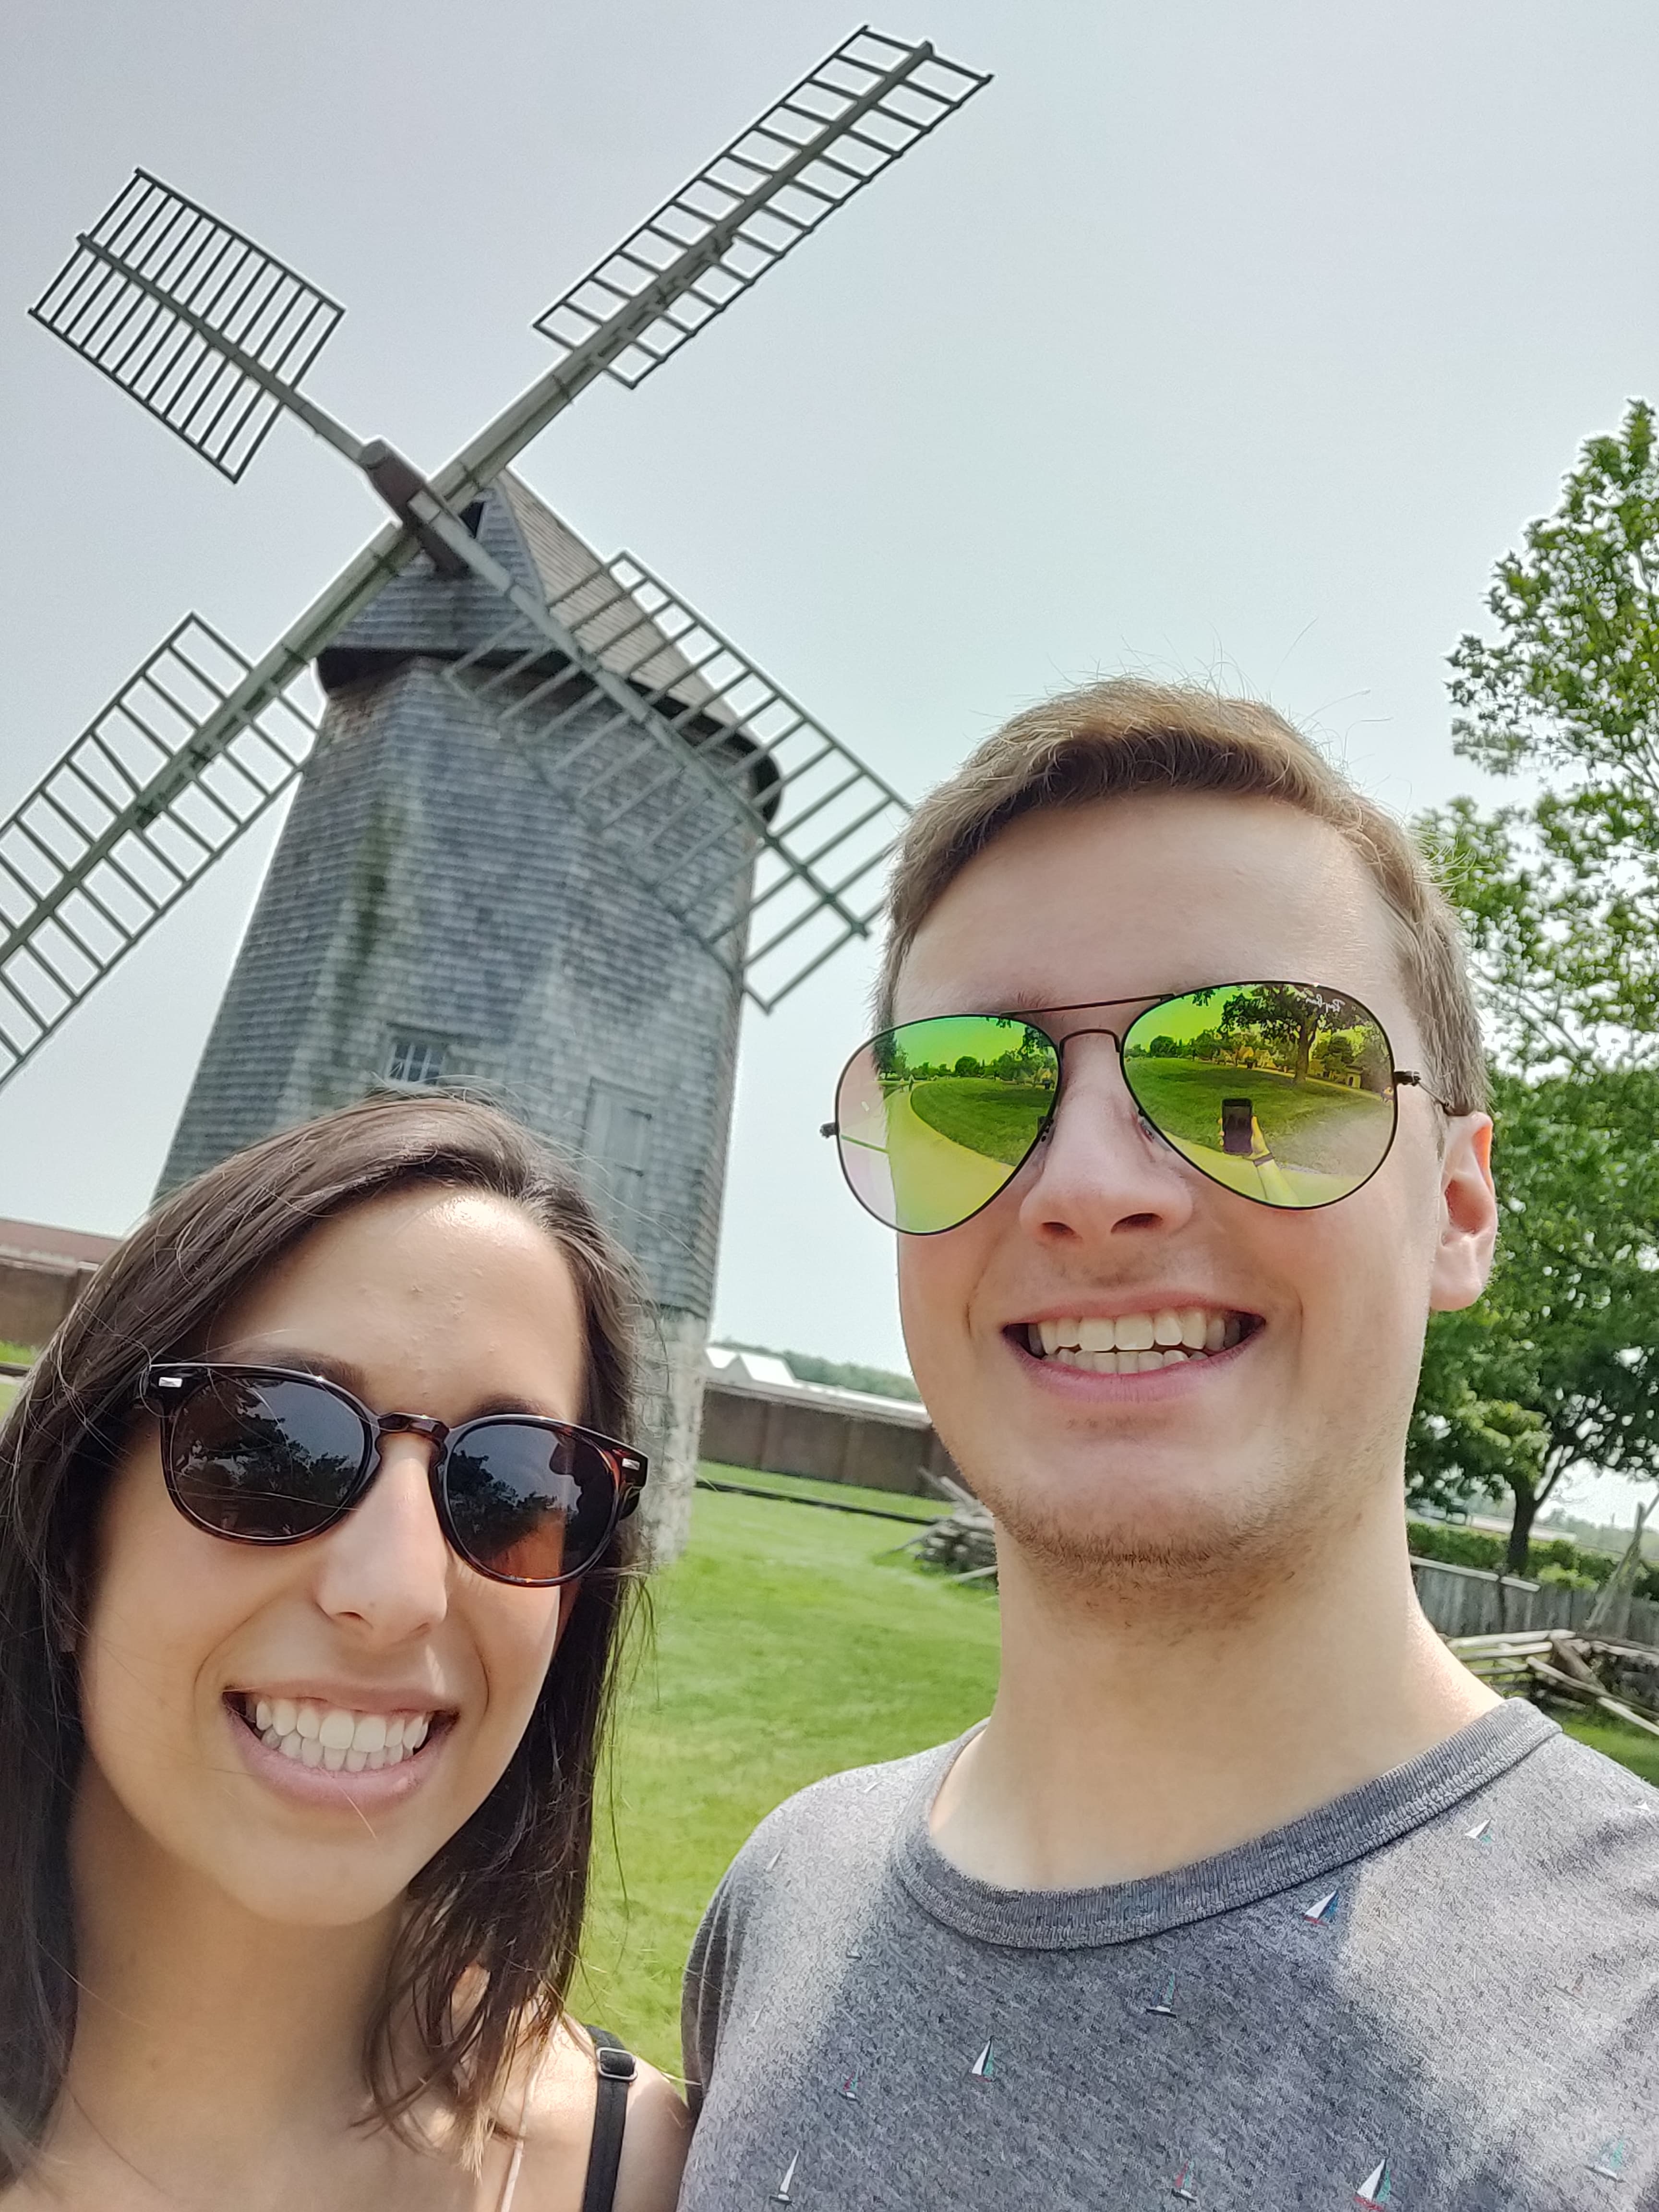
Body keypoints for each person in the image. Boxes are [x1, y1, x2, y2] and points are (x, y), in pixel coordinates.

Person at [678, 680, 1658, 2208]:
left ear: (1461, 1205)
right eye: (969, 1087)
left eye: (1258, 1076)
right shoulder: (782, 1903)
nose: (1082, 1184)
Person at [0, 1095, 686, 2211]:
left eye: (514, 1484)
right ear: (76, 1545)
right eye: (273, 1443)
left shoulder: (642, 2179)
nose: (400, 1590)